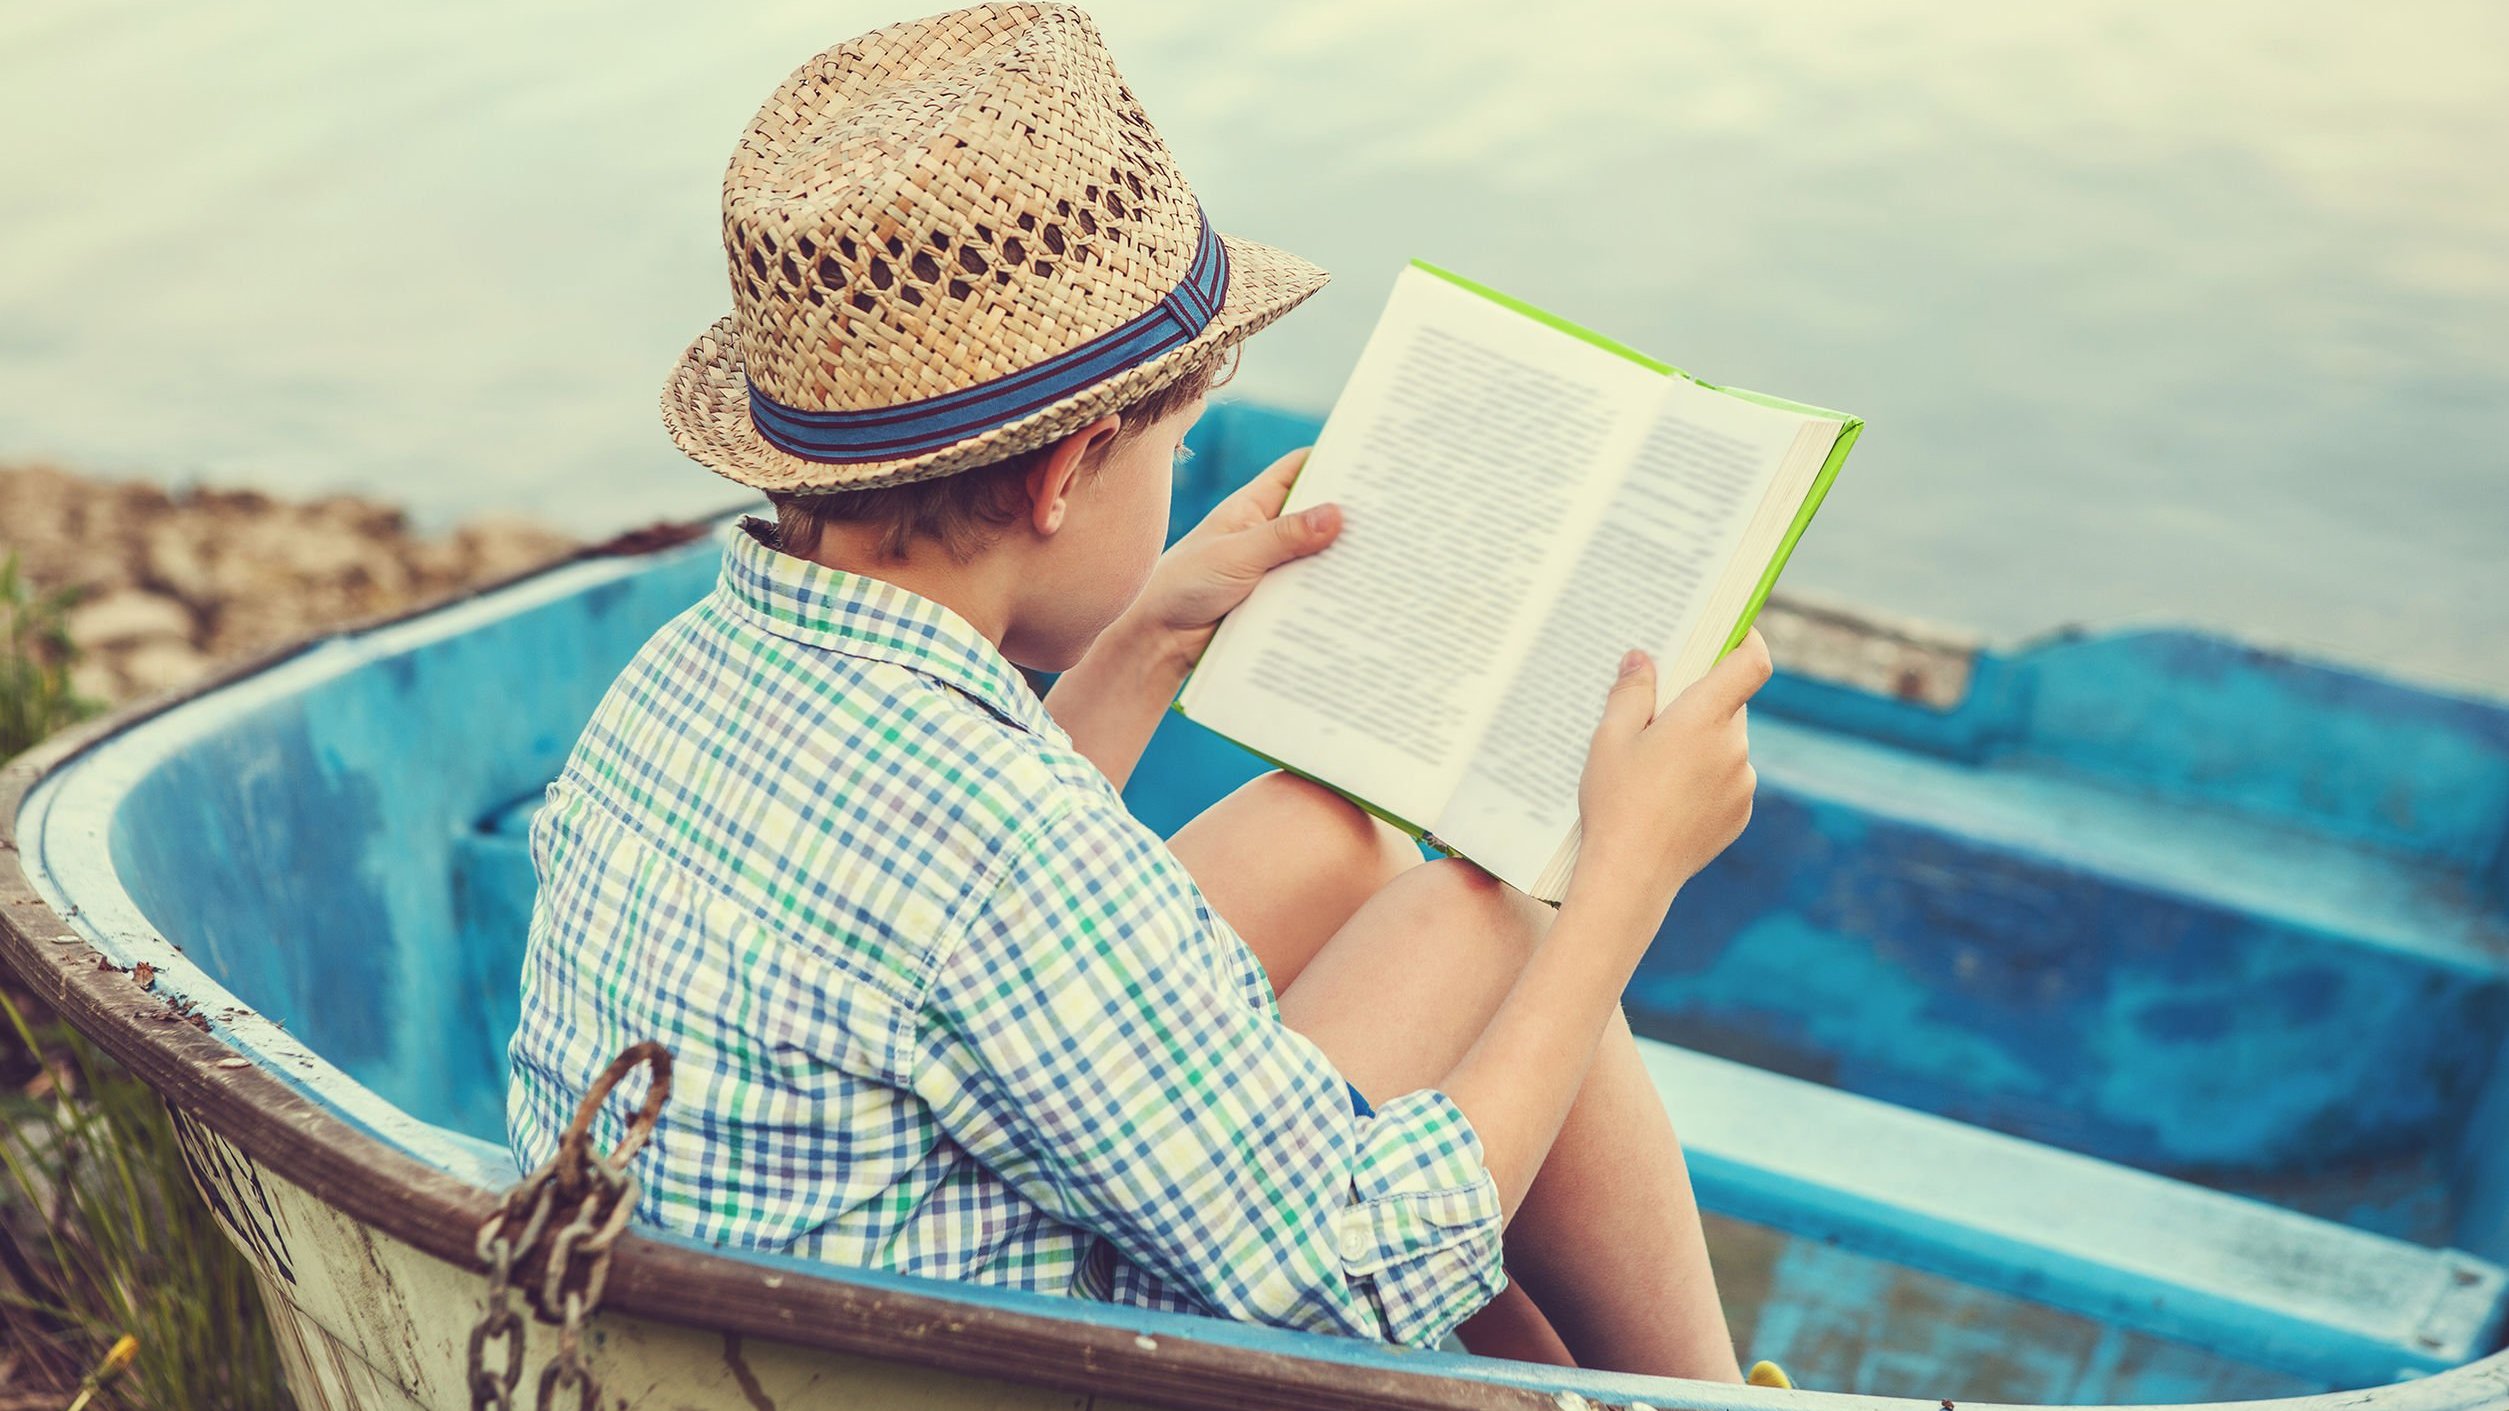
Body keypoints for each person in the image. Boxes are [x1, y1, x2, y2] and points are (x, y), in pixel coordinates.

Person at [508, 3, 1779, 1383]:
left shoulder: (692, 670)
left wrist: (1146, 636)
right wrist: (1622, 889)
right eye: (1169, 446)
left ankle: (1587, 1392)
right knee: (1497, 928)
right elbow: (1346, 1273)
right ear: (1067, 474)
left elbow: (919, 925)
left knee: (1325, 835)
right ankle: (1701, 1398)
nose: (1174, 482)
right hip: (963, 1374)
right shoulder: (988, 832)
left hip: (761, 1326)